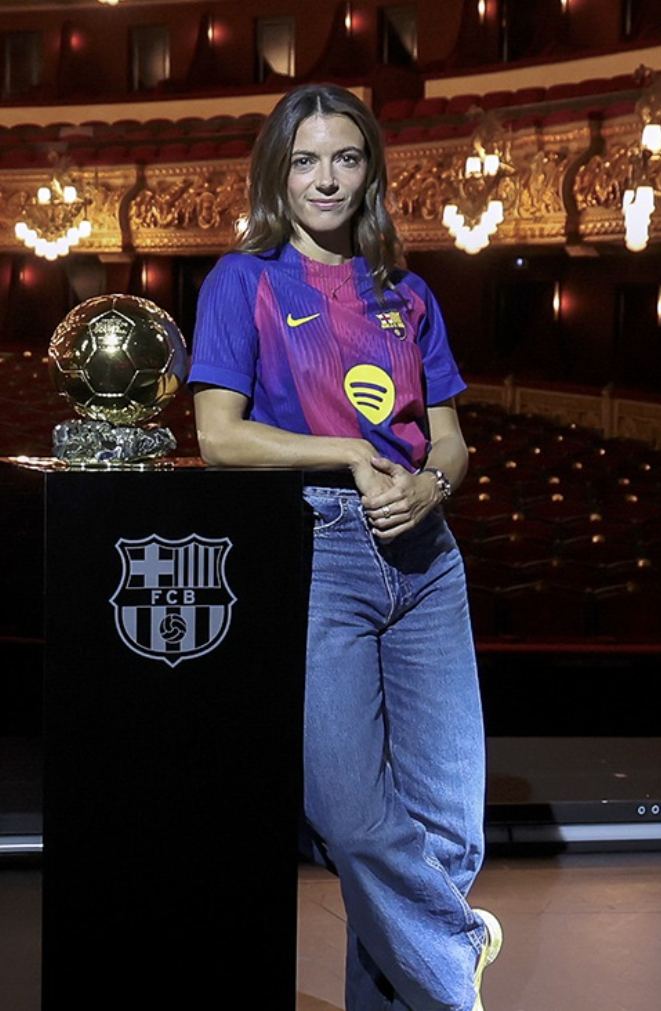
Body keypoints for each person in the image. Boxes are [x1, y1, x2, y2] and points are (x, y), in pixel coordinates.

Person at [187, 83, 502, 1011]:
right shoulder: (243, 281)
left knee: (447, 832)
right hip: (320, 548)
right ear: (276, 175)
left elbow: (449, 439)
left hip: (427, 556)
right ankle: (459, 947)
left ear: (370, 173)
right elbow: (220, 438)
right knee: (352, 819)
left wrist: (434, 484)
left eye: (347, 158)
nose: (327, 180)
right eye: (306, 161)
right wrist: (349, 452)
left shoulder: (407, 291)